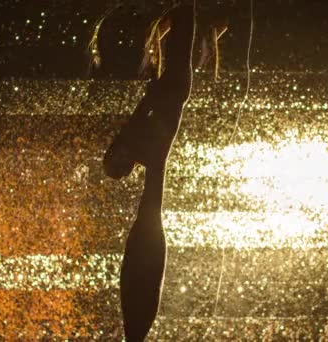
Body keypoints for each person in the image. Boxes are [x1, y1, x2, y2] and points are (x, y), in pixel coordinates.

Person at [102, 4, 195, 341]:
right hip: (169, 100)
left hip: (168, 99)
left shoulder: (140, 133)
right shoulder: (141, 135)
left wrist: (159, 33)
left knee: (150, 211)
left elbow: (151, 99)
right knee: (150, 211)